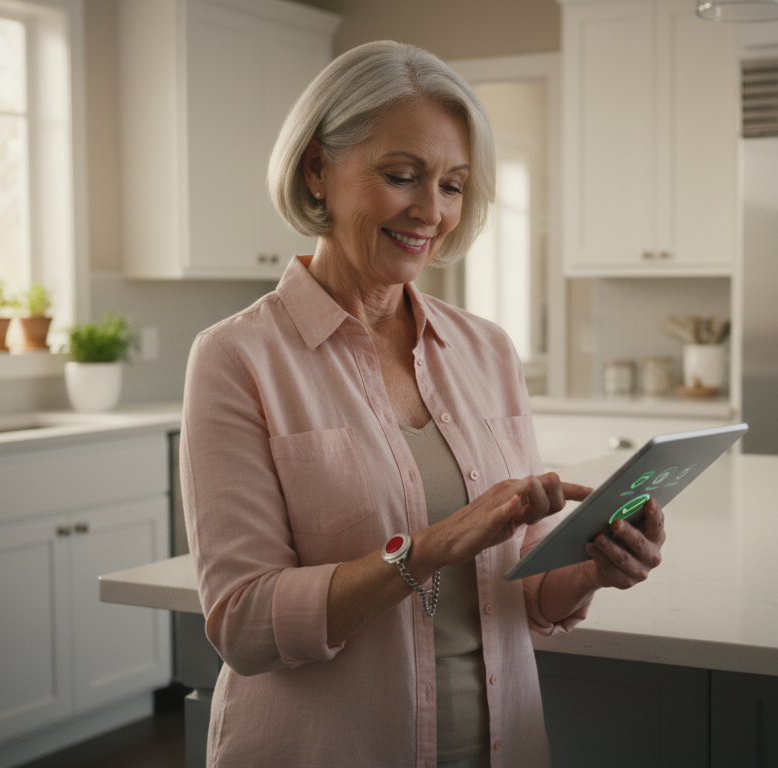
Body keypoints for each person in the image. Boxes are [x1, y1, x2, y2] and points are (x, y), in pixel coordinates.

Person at [181, 40, 667, 768]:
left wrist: (595, 565)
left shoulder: (486, 351)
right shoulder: (237, 359)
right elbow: (246, 625)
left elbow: (525, 593)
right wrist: (435, 544)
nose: (431, 211)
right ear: (318, 167)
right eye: (402, 175)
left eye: (453, 185)